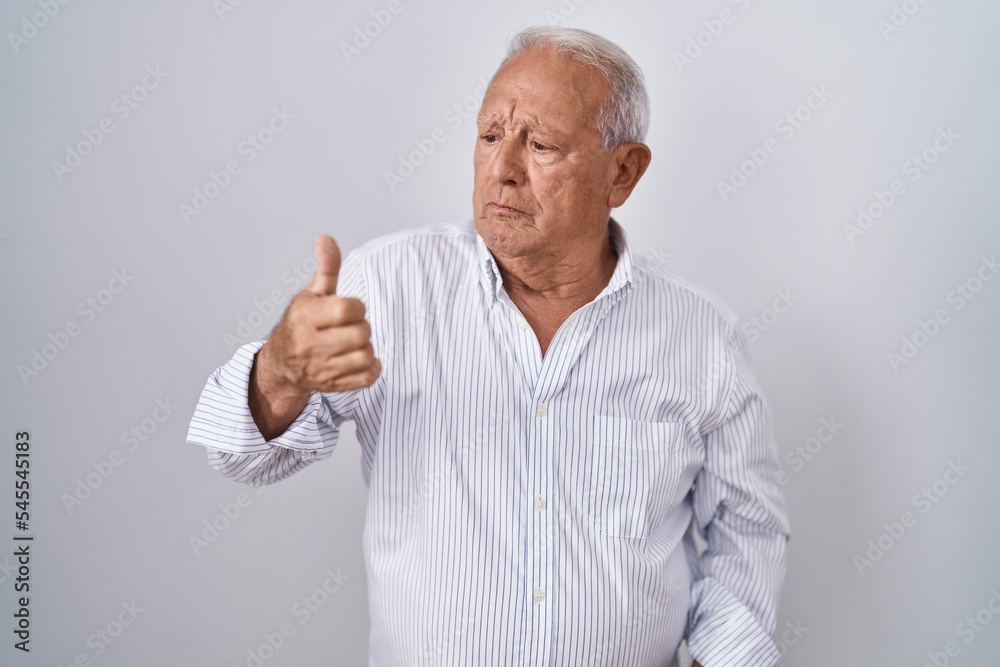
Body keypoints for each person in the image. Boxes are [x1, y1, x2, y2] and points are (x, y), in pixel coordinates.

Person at [187, 26, 790, 667]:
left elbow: (748, 529)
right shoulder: (388, 287)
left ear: (623, 172)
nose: (502, 171)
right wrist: (281, 370)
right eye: (490, 136)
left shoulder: (702, 337)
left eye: (541, 144)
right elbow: (238, 458)